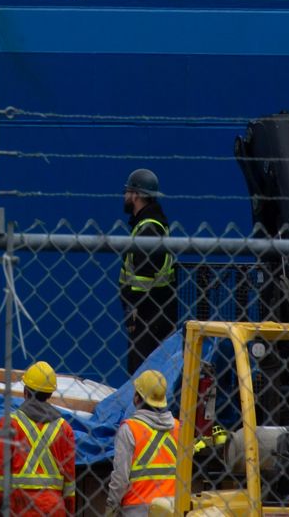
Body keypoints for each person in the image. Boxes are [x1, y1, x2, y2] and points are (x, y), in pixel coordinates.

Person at [0, 361, 76, 517]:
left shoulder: (9, 424)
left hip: (19, 509)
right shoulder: (65, 429)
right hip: (54, 509)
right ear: (50, 394)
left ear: (25, 391)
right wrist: (69, 511)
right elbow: (69, 481)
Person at [119, 168, 177, 372]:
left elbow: (144, 276)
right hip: (153, 313)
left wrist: (132, 310)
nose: (125, 196)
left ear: (136, 195)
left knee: (142, 372)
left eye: (127, 192)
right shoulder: (148, 224)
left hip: (148, 316)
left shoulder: (148, 229)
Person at [106, 369, 180, 516]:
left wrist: (111, 507)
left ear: (136, 398)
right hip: (173, 508)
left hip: (136, 509)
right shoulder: (179, 428)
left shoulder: (130, 429)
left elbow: (120, 478)